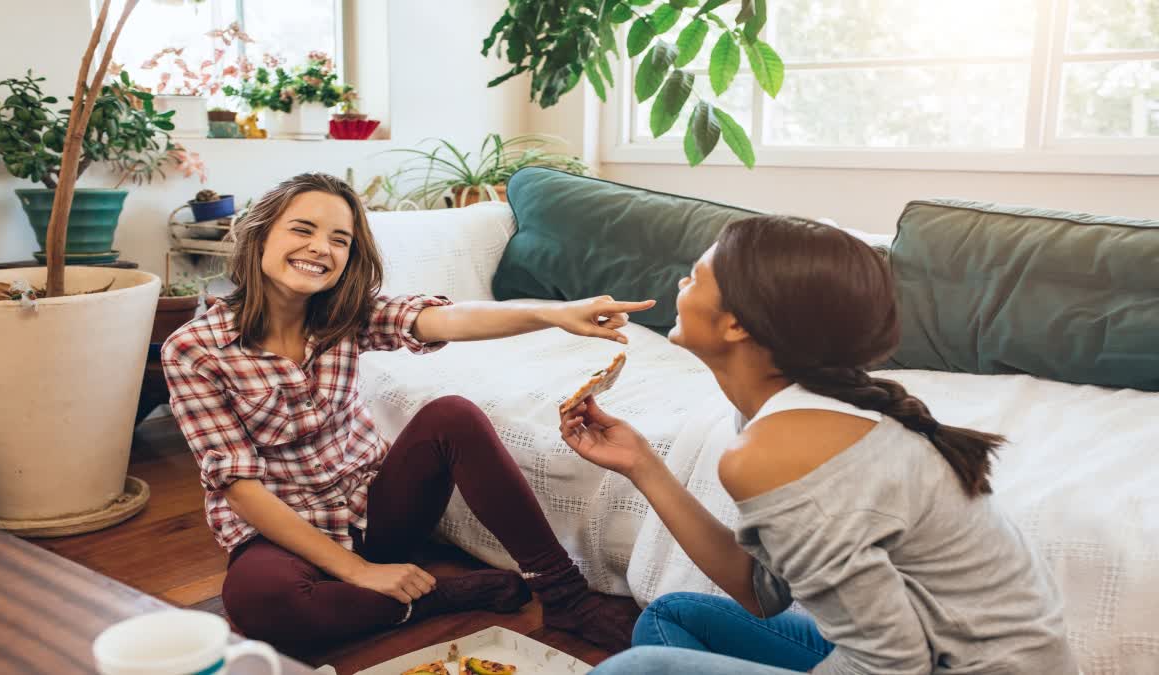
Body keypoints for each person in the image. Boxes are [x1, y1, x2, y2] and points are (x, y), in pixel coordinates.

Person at [560, 214, 1077, 674]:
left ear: (737, 322)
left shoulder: (776, 449)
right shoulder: (784, 410)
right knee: (675, 616)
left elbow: (893, 666)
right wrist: (642, 463)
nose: (680, 283)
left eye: (695, 277)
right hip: (929, 652)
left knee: (638, 668)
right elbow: (761, 592)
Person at [162, 172, 653, 654]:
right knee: (259, 605)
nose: (320, 248)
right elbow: (240, 490)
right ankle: (437, 597)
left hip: (373, 511)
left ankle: (564, 595)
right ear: (260, 234)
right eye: (302, 229)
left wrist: (552, 314)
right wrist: (359, 572)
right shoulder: (193, 349)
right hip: (281, 532)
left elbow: (447, 318)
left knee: (453, 416)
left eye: (340, 239)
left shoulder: (346, 314)